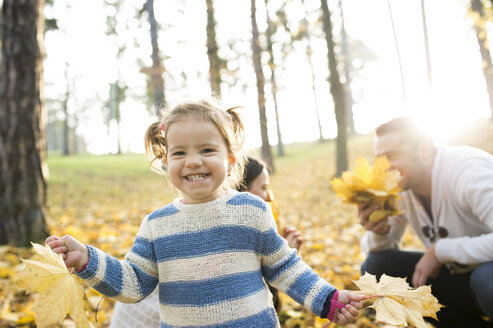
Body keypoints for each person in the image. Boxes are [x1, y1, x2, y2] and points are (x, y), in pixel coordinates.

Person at [46, 99, 363, 327]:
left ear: (230, 158)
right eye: (179, 152)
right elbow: (133, 284)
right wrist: (87, 259)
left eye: (207, 150)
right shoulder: (157, 226)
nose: (193, 161)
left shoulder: (252, 211)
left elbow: (286, 268)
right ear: (165, 161)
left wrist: (328, 300)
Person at [109, 156, 303, 327]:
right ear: (240, 191)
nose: (269, 196)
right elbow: (239, 313)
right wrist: (271, 268)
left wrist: (277, 261)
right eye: (264, 187)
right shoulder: (192, 238)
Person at [358, 117, 493, 327]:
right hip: (461, 279)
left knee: (487, 278)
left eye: (392, 156)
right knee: (376, 267)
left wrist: (440, 251)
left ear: (424, 150)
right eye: (378, 159)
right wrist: (380, 230)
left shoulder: (467, 170)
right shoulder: (402, 186)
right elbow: (379, 250)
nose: (383, 168)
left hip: (486, 279)